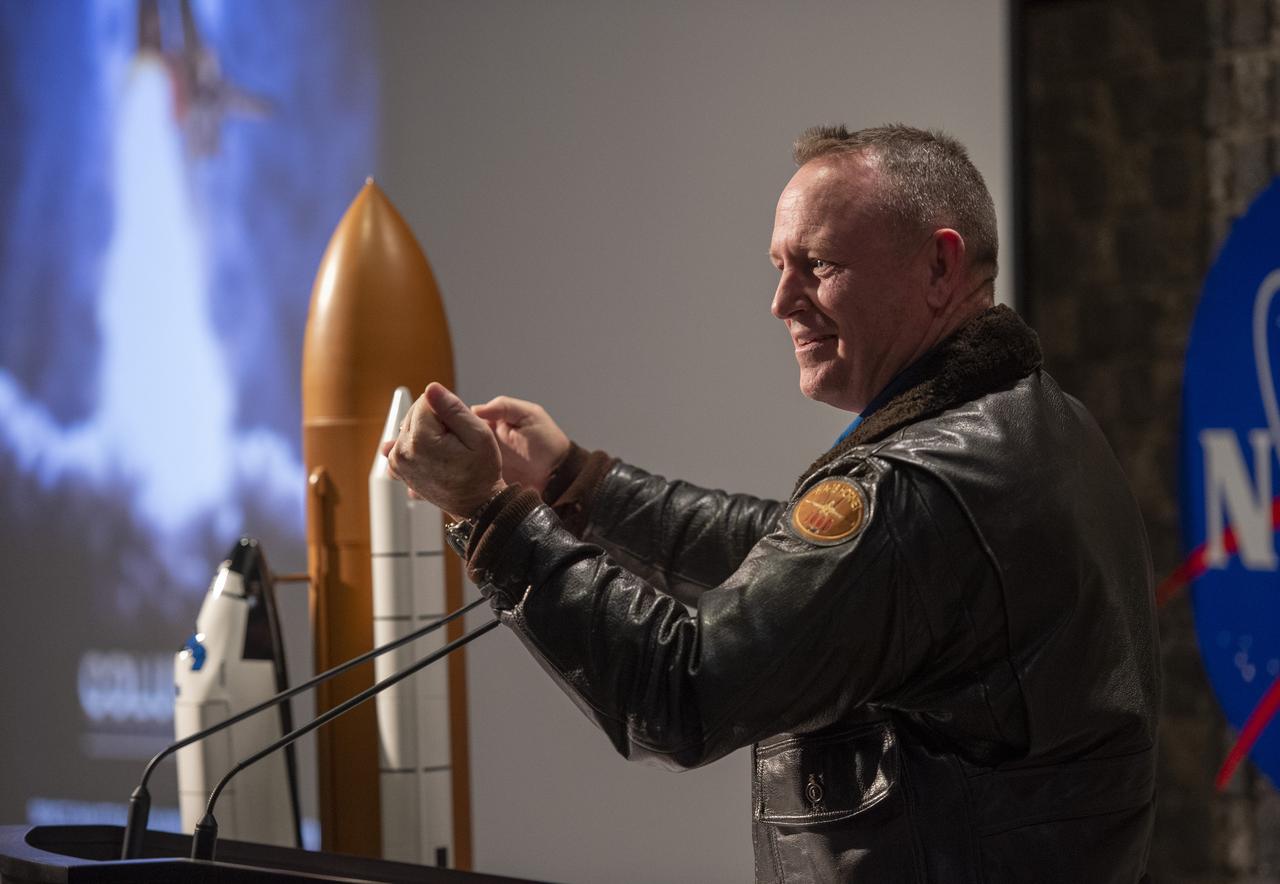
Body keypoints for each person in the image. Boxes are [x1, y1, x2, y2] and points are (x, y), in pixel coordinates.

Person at [384, 125, 1160, 883]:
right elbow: (793, 561)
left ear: (939, 265)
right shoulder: (1035, 420)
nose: (782, 301)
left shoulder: (917, 484)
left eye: (817, 265)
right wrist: (576, 483)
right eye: (778, 265)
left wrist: (489, 513)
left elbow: (682, 691)